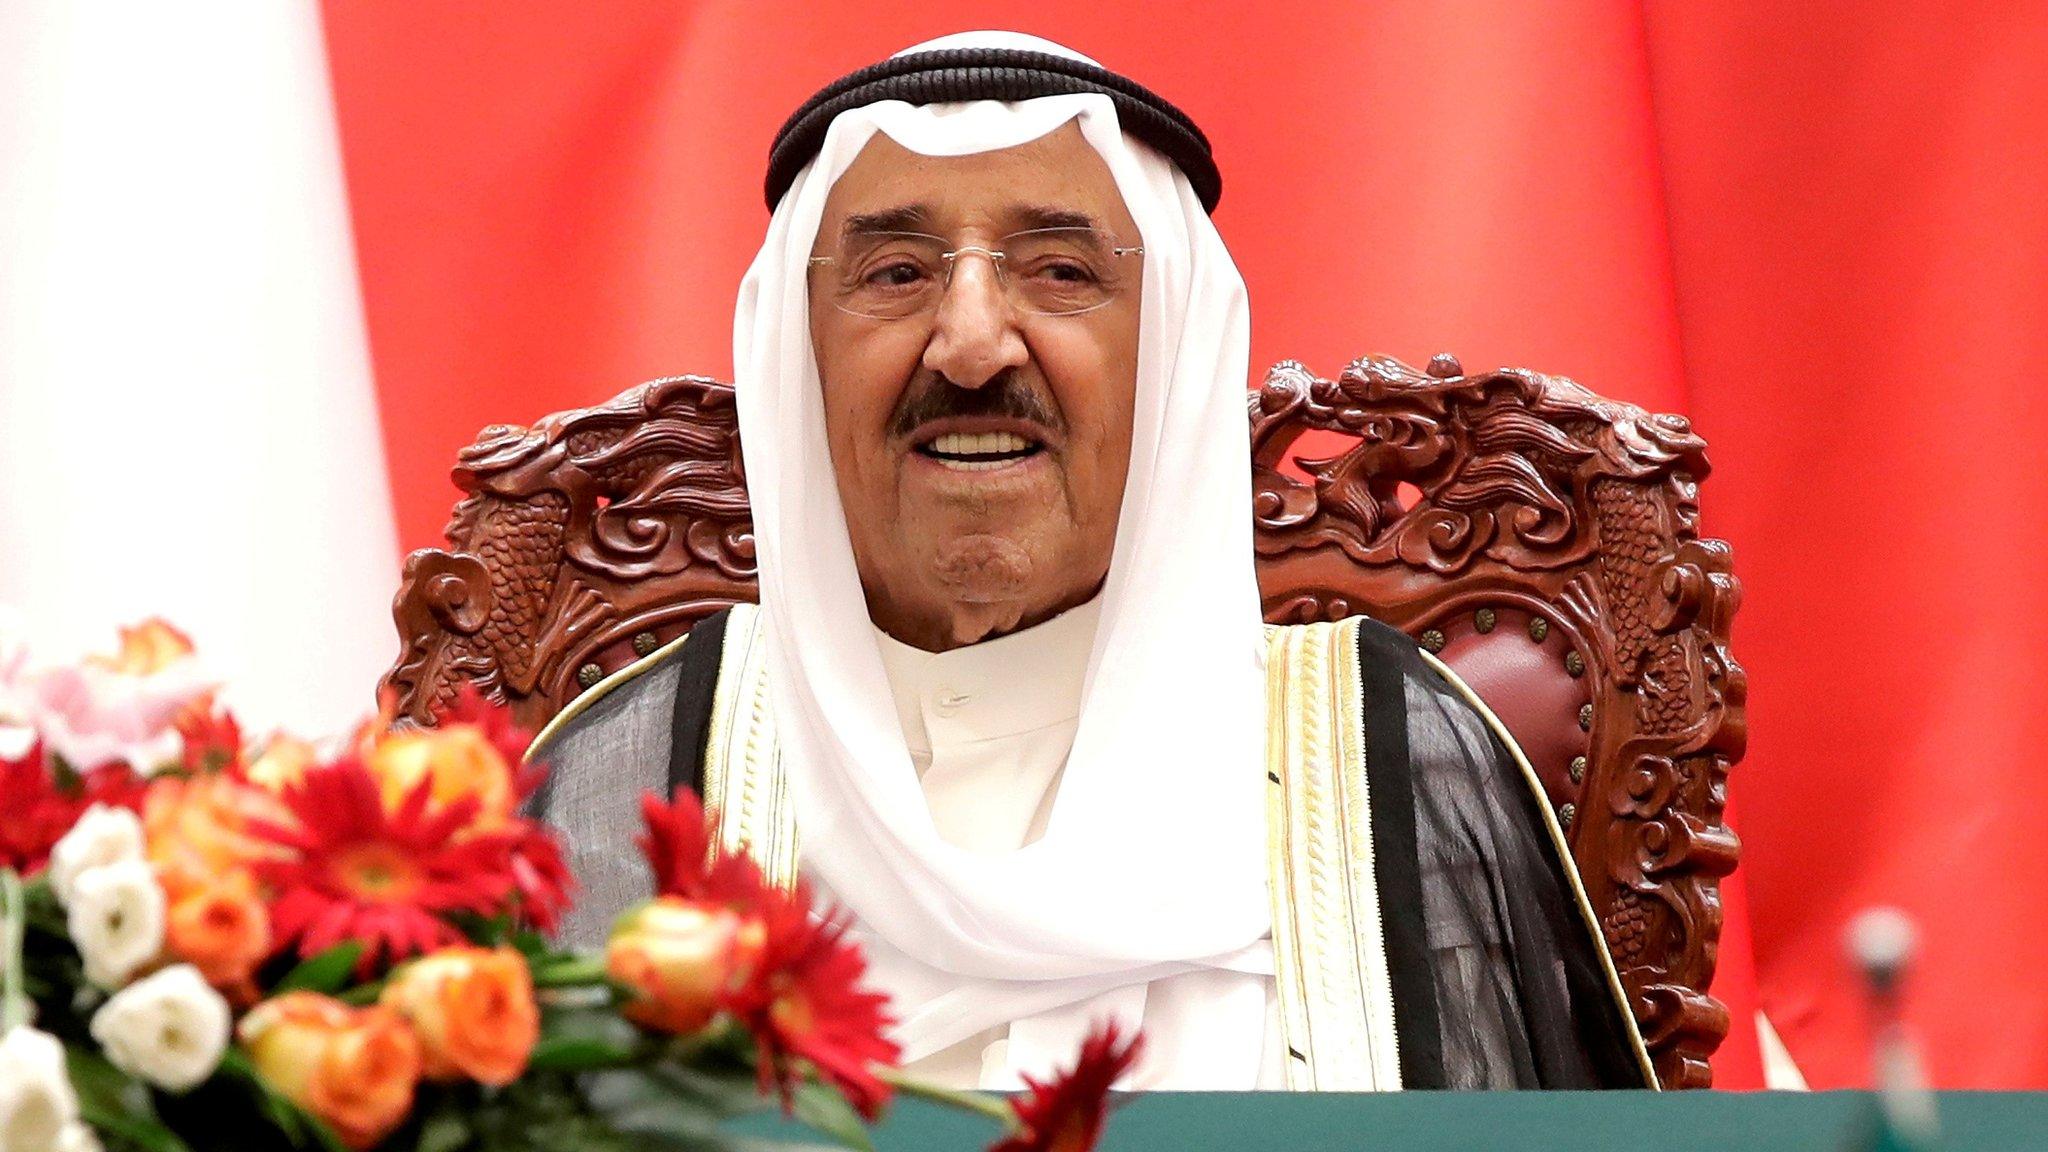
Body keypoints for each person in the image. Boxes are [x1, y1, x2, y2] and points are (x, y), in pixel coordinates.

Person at [527, 30, 1653, 1092]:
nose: (970, 345)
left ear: (1166, 357)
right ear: (797, 358)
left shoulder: (1381, 762)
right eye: (894, 275)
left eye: (1061, 271)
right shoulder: (632, 780)